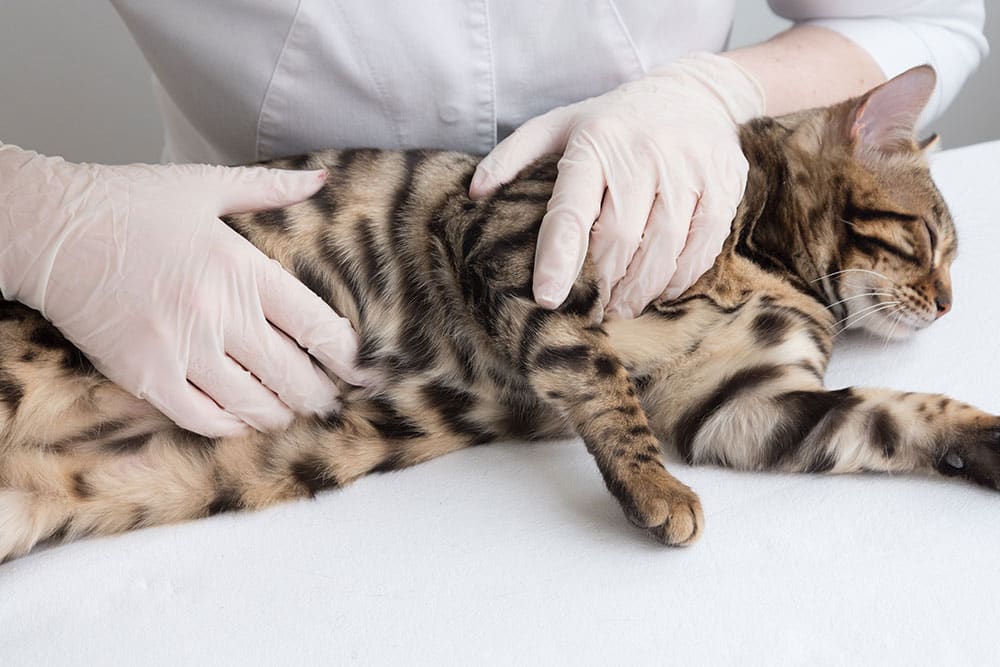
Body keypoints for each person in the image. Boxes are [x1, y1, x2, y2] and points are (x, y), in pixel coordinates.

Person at [0, 1, 988, 438]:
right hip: (224, 315)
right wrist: (44, 213)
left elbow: (919, 16)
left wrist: (716, 89)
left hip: (654, 304)